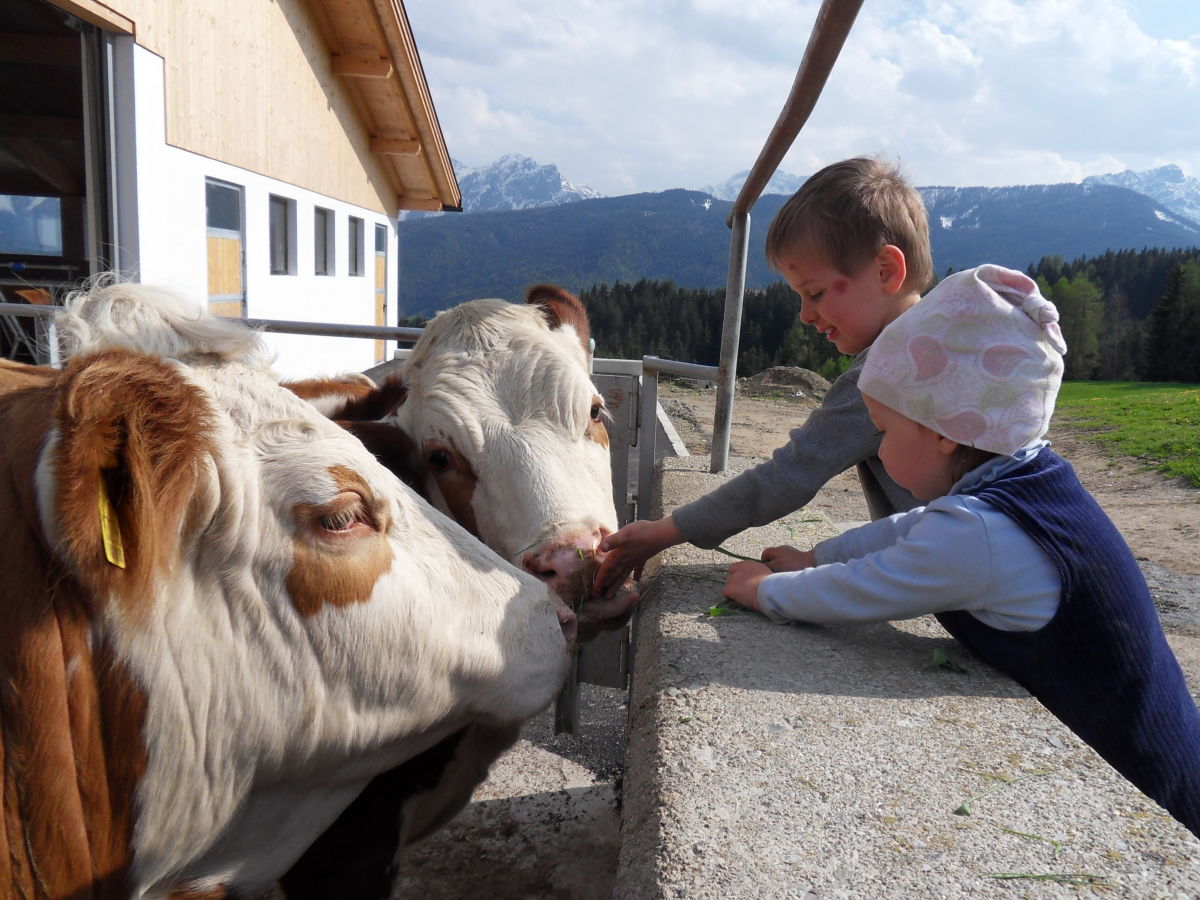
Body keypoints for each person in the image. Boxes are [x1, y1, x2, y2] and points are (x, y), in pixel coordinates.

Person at [722, 264, 1200, 837]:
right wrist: (818, 555)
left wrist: (766, 591)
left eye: (886, 432)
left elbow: (864, 588)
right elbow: (912, 528)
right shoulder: (1021, 477)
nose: (881, 454)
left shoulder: (980, 536)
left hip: (1145, 787)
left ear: (945, 430)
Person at [593, 156, 933, 598]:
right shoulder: (950, 349)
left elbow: (786, 477)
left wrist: (663, 533)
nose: (805, 315)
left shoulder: (885, 373)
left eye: (814, 293)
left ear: (887, 271)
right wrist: (819, 559)